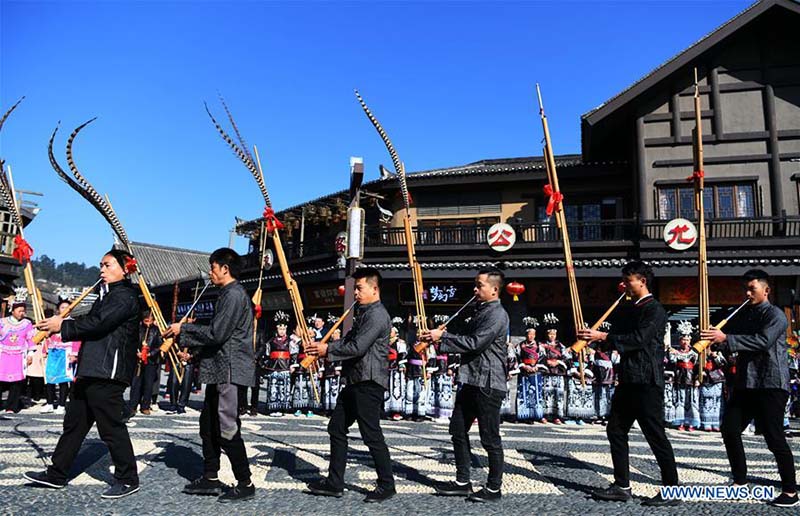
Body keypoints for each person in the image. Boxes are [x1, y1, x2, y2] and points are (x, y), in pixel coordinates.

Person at [25, 249, 141, 499]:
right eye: (101, 265)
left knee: (110, 427)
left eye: (108, 265)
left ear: (125, 269)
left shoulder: (125, 296)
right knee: (74, 424)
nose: (102, 269)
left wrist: (62, 325)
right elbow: (91, 322)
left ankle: (128, 478)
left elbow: (99, 324)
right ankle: (57, 474)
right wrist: (58, 325)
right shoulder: (105, 295)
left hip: (108, 372)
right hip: (91, 369)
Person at [578, 260, 679, 507]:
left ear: (642, 281)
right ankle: (622, 486)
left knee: (655, 435)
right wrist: (593, 338)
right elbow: (617, 338)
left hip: (647, 381)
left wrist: (603, 335)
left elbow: (638, 339)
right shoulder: (630, 308)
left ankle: (672, 490)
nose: (624, 285)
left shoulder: (654, 309)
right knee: (615, 429)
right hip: (628, 379)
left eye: (628, 280)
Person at [701, 269, 798, 508]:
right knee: (730, 429)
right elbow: (731, 339)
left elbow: (762, 341)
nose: (747, 293)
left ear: (766, 290)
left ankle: (790, 491)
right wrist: (713, 339)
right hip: (746, 383)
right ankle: (740, 482)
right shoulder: (744, 314)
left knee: (774, 437)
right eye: (745, 289)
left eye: (752, 289)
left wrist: (726, 339)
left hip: (770, 383)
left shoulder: (776, 315)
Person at [167, 248, 256, 503]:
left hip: (229, 370)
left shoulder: (234, 295)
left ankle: (245, 482)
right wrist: (193, 355)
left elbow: (218, 333)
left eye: (213, 267)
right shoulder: (226, 294)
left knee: (226, 427)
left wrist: (183, 329)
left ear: (225, 269)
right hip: (219, 368)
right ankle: (210, 476)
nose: (210, 272)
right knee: (208, 425)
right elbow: (219, 337)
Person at [305, 267, 396, 503]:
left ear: (374, 289)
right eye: (355, 288)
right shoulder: (363, 313)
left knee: (371, 434)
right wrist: (322, 347)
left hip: (369, 382)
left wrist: (327, 350)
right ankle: (335, 482)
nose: (355, 293)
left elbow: (358, 347)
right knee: (336, 427)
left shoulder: (377, 315)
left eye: (359, 288)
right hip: (355, 380)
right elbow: (349, 340)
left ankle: (387, 484)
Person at [422, 269, 510, 503]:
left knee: (490, 438)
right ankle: (463, 482)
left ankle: (494, 488)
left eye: (479, 285)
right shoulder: (480, 311)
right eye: (475, 284)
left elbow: (475, 343)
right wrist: (439, 335)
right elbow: (465, 339)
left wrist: (442, 338)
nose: (475, 289)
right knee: (458, 430)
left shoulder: (497, 314)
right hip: (470, 380)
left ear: (494, 289)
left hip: (488, 383)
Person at [43, 300, 80, 415]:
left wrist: (74, 354)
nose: (65, 310)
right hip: (53, 352)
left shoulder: (73, 323)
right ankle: (49, 403)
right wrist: (45, 351)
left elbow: (77, 339)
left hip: (66, 352)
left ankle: (61, 404)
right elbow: (46, 337)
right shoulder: (52, 321)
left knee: (63, 380)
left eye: (67, 307)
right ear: (58, 309)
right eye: (63, 307)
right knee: (49, 378)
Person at [0, 302, 35, 413]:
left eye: (23, 311)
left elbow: (30, 339)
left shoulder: (27, 324)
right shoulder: (2, 322)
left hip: (19, 355)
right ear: (12, 310)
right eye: (19, 311)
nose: (22, 313)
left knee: (16, 382)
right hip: (3, 354)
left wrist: (30, 354)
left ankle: (11, 406)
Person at [127, 311, 162, 417]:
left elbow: (159, 346)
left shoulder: (156, 331)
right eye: (146, 321)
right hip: (138, 360)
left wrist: (150, 354)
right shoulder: (138, 330)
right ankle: (132, 406)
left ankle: (145, 406)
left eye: (150, 321)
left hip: (151, 361)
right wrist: (136, 352)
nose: (148, 323)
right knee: (136, 384)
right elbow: (132, 342)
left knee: (148, 384)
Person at [669, 322, 699, 431]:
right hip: (680, 377)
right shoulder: (675, 351)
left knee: (692, 400)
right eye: (683, 339)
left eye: (687, 340)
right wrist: (673, 353)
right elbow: (672, 361)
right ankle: (680, 422)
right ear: (680, 340)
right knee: (679, 399)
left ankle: (691, 423)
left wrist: (697, 378)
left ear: (690, 340)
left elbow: (698, 366)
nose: (685, 342)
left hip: (691, 377)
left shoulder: (694, 352)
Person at [538, 314, 567, 424]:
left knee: (557, 395)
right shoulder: (542, 345)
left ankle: (557, 416)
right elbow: (540, 357)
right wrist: (547, 361)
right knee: (545, 394)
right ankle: (544, 415)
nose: (552, 336)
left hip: (557, 373)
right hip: (546, 373)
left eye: (554, 334)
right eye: (550, 334)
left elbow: (566, 358)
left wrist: (558, 362)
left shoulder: (561, 346)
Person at [262, 311, 292, 417]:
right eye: (280, 329)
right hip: (273, 366)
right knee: (273, 388)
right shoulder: (271, 341)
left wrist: (292, 365)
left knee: (283, 388)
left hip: (285, 366)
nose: (282, 331)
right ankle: (273, 407)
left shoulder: (290, 341)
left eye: (283, 329)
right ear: (276, 329)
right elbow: (267, 354)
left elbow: (294, 354)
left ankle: (282, 408)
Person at [516, 324, 544, 424]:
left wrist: (537, 366)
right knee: (523, 393)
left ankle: (534, 415)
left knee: (535, 394)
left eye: (533, 334)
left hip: (536, 372)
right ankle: (522, 416)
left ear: (535, 335)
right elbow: (517, 357)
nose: (531, 336)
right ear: (526, 335)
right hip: (524, 371)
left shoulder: (539, 346)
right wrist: (524, 366)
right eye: (529, 334)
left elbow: (542, 357)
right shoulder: (520, 345)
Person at [384, 324, 407, 421]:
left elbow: (402, 355)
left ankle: (397, 411)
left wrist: (401, 365)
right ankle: (387, 411)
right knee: (387, 390)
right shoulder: (385, 342)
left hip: (396, 369)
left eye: (391, 331)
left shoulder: (400, 343)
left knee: (396, 390)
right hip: (387, 369)